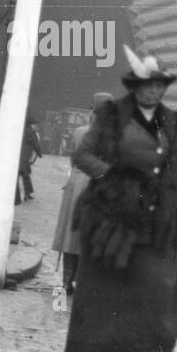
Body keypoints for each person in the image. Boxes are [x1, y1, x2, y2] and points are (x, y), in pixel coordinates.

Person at [63, 47, 177, 352]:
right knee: (106, 287)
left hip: (154, 218)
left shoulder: (174, 124)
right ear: (134, 87)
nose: (153, 91)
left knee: (150, 287)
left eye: (159, 85)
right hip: (112, 217)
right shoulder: (112, 116)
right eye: (146, 85)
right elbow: (83, 155)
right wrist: (112, 179)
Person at [52, 92, 113, 295]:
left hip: (77, 182)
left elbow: (73, 158)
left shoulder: (79, 131)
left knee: (71, 232)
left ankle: (67, 281)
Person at [18, 115, 42, 201]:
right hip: (24, 157)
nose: (37, 127)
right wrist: (39, 154)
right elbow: (36, 144)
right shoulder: (31, 132)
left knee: (21, 175)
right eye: (36, 125)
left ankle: (25, 193)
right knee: (25, 175)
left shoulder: (23, 130)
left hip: (19, 155)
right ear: (32, 125)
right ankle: (27, 193)